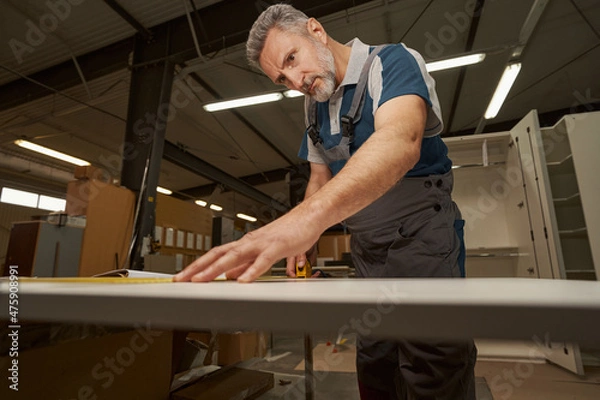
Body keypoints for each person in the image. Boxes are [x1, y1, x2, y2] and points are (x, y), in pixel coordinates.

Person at [175, 3, 476, 399]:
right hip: (367, 247)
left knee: (432, 360)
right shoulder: (313, 104)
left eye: (292, 59)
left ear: (315, 31)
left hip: (421, 234)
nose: (293, 80)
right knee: (375, 358)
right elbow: (319, 177)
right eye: (281, 77)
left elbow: (400, 142)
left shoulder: (389, 62)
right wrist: (306, 244)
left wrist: (306, 222)